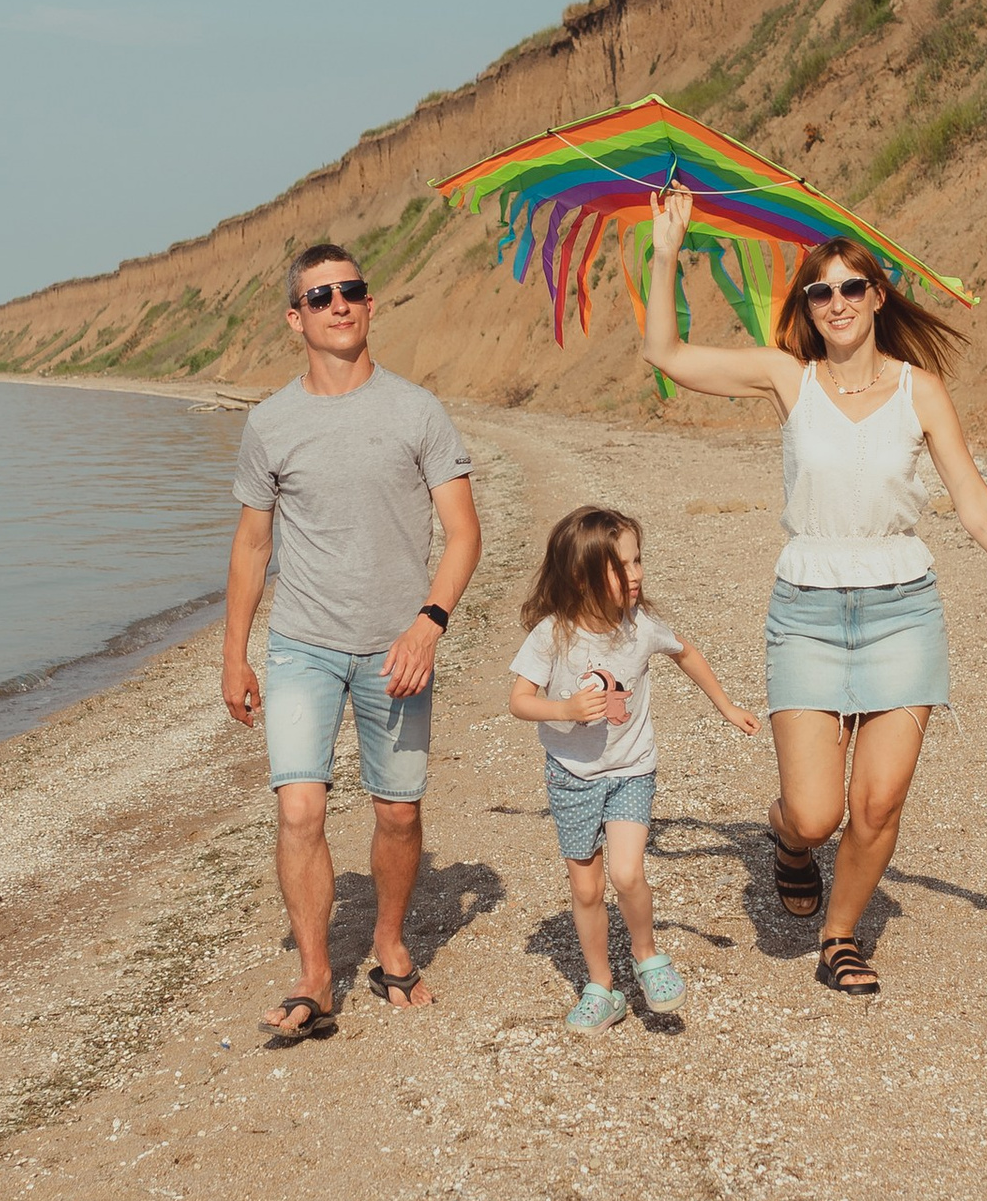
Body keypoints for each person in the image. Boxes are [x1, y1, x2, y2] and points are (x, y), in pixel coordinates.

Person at [641, 182, 987, 999]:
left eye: (854, 286)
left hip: (901, 611)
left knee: (877, 802)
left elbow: (976, 505)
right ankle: (785, 841)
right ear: (808, 307)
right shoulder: (790, 379)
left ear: (878, 297)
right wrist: (668, 249)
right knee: (815, 814)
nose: (838, 301)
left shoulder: (922, 391)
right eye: (822, 290)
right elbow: (667, 357)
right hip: (808, 612)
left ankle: (840, 935)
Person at [223, 240, 482, 1045]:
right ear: (295, 319)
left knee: (398, 815)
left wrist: (428, 624)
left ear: (370, 307)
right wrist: (234, 652)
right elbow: (252, 546)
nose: (338, 304)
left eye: (351, 291)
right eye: (320, 296)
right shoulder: (270, 424)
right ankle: (313, 977)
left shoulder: (417, 411)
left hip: (396, 649)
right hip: (302, 644)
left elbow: (464, 533)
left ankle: (390, 942)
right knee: (300, 808)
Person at [508, 502, 759, 1034]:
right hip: (572, 775)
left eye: (638, 560)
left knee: (626, 872)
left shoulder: (639, 625)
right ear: (581, 575)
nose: (637, 574)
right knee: (586, 890)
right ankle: (601, 986)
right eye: (622, 566)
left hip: (631, 769)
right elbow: (519, 700)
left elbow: (685, 653)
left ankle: (647, 957)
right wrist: (565, 710)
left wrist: (726, 706)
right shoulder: (553, 635)